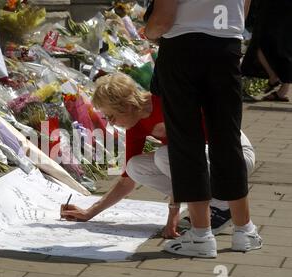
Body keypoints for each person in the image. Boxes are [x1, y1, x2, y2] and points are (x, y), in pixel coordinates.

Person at [60, 73, 255, 239]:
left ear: (126, 105)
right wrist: (89, 212)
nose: (111, 123)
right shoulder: (135, 124)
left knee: (165, 156)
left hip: (233, 156)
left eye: (111, 116)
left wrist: (172, 216)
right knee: (135, 166)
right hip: (201, 158)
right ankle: (210, 203)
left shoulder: (165, 102)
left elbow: (181, 162)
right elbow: (127, 181)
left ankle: (222, 205)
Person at [144, 0, 262, 258]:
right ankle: (245, 230)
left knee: (186, 141)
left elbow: (162, 20)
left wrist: (149, 32)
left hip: (183, 46)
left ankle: (201, 234)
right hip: (226, 46)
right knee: (227, 138)